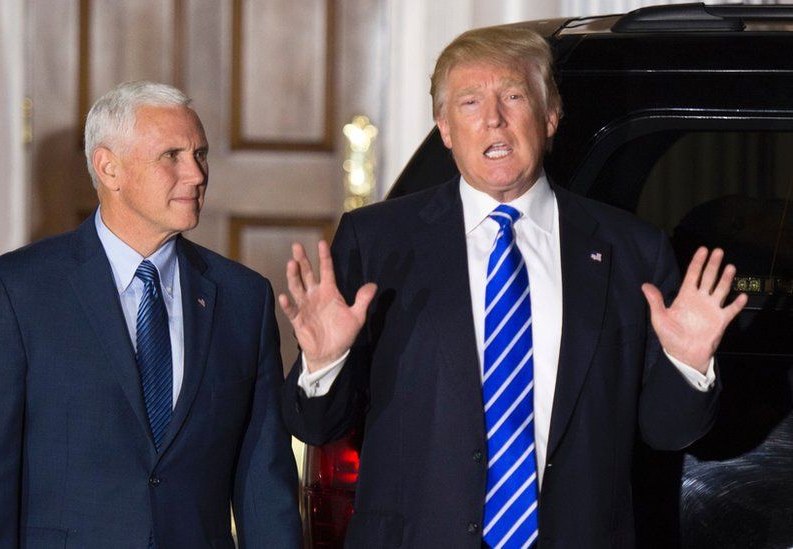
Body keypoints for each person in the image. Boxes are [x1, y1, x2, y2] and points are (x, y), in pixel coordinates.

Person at [279, 26, 746, 548]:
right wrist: (323, 366)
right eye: (470, 102)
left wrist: (687, 364)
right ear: (446, 127)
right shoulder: (379, 242)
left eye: (513, 96)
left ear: (550, 117)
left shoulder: (632, 250)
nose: (493, 118)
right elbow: (318, 426)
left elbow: (668, 432)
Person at [0, 81, 301, 548]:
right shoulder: (17, 292)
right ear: (108, 168)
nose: (195, 174)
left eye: (201, 154)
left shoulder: (243, 298)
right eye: (171, 155)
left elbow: (263, 481)